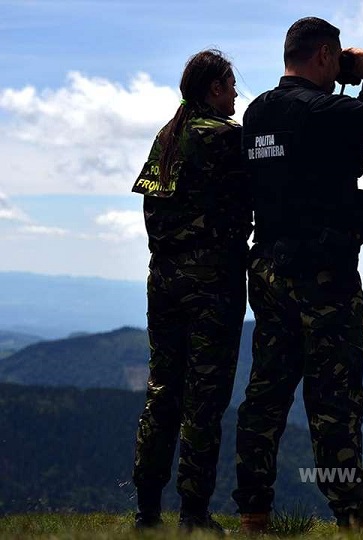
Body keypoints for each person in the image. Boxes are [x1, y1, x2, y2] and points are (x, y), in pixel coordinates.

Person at [232, 17, 363, 533]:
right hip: (324, 276)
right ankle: (355, 515)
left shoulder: (258, 112)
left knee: (266, 392)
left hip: (269, 268)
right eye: (334, 57)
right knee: (334, 398)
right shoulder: (324, 111)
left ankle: (253, 510)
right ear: (324, 56)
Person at [130, 49, 251, 533]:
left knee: (162, 393)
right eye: (230, 85)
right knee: (205, 397)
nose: (237, 94)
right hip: (213, 285)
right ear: (214, 89)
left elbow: (151, 209)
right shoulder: (226, 139)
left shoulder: (166, 138)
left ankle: (146, 510)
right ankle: (194, 513)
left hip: (163, 281)